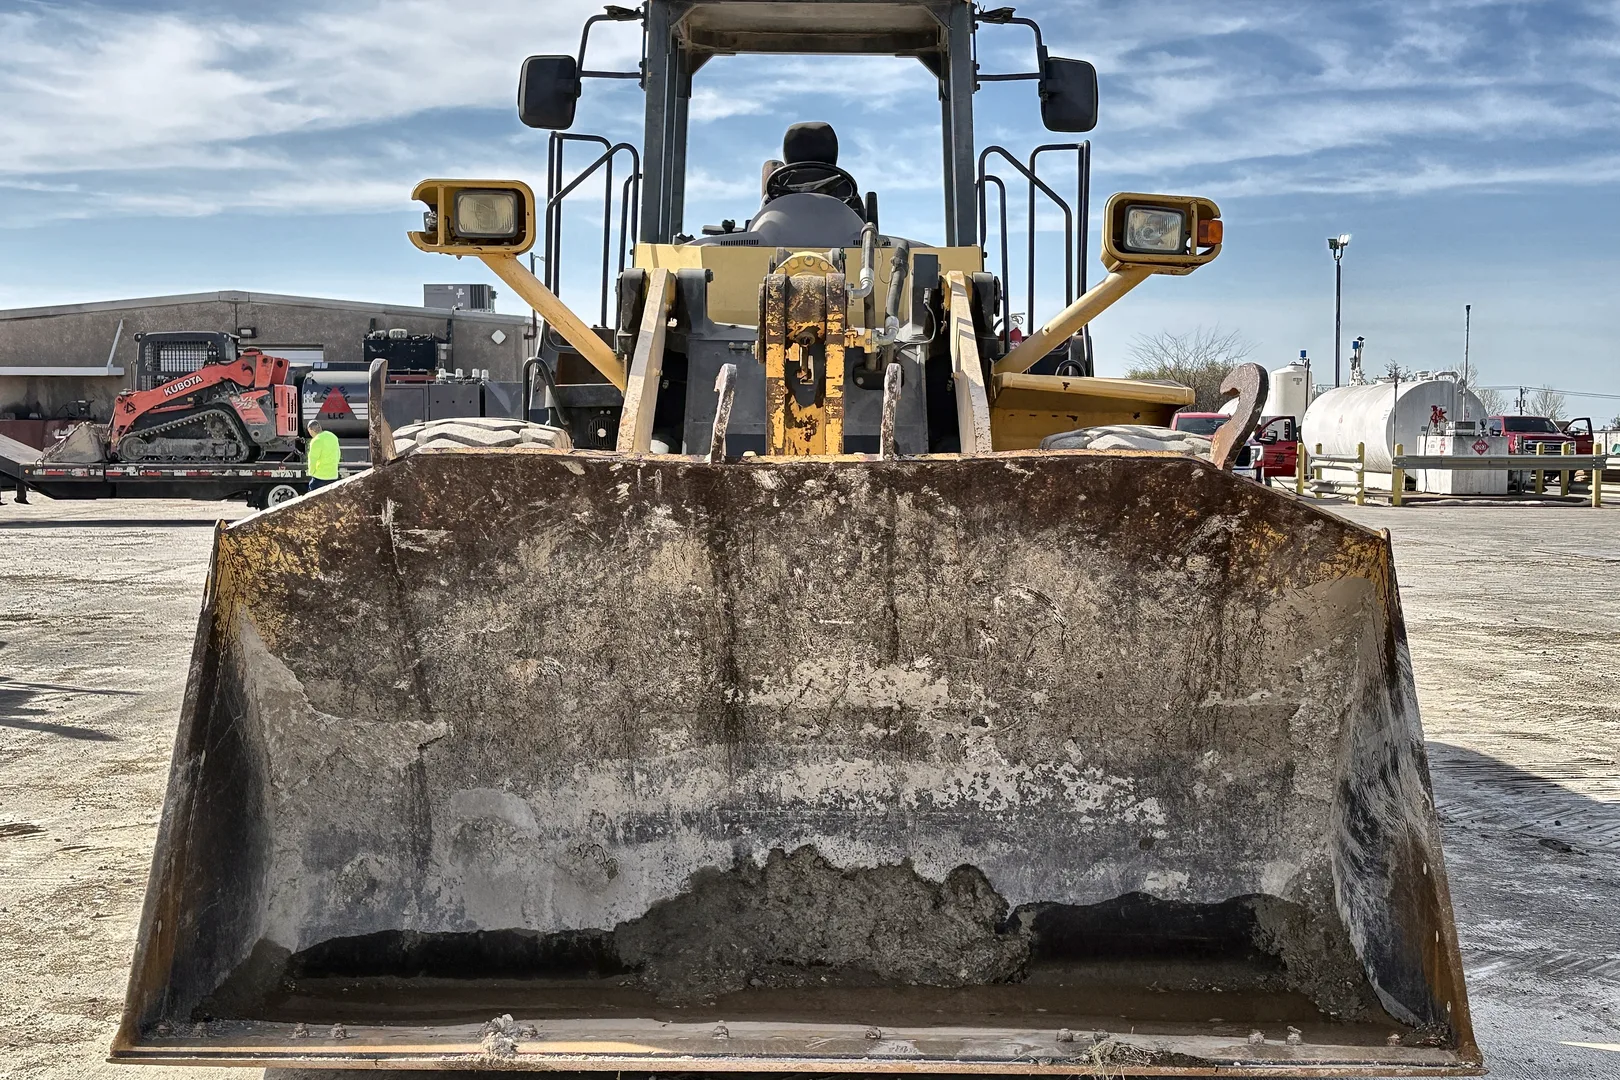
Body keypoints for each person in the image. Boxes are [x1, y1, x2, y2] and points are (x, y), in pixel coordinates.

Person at [305, 420, 340, 493]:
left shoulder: (316, 440)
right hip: (333, 475)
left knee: (313, 497)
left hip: (320, 477)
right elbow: (338, 454)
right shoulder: (333, 436)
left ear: (310, 430)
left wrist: (311, 472)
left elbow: (313, 459)